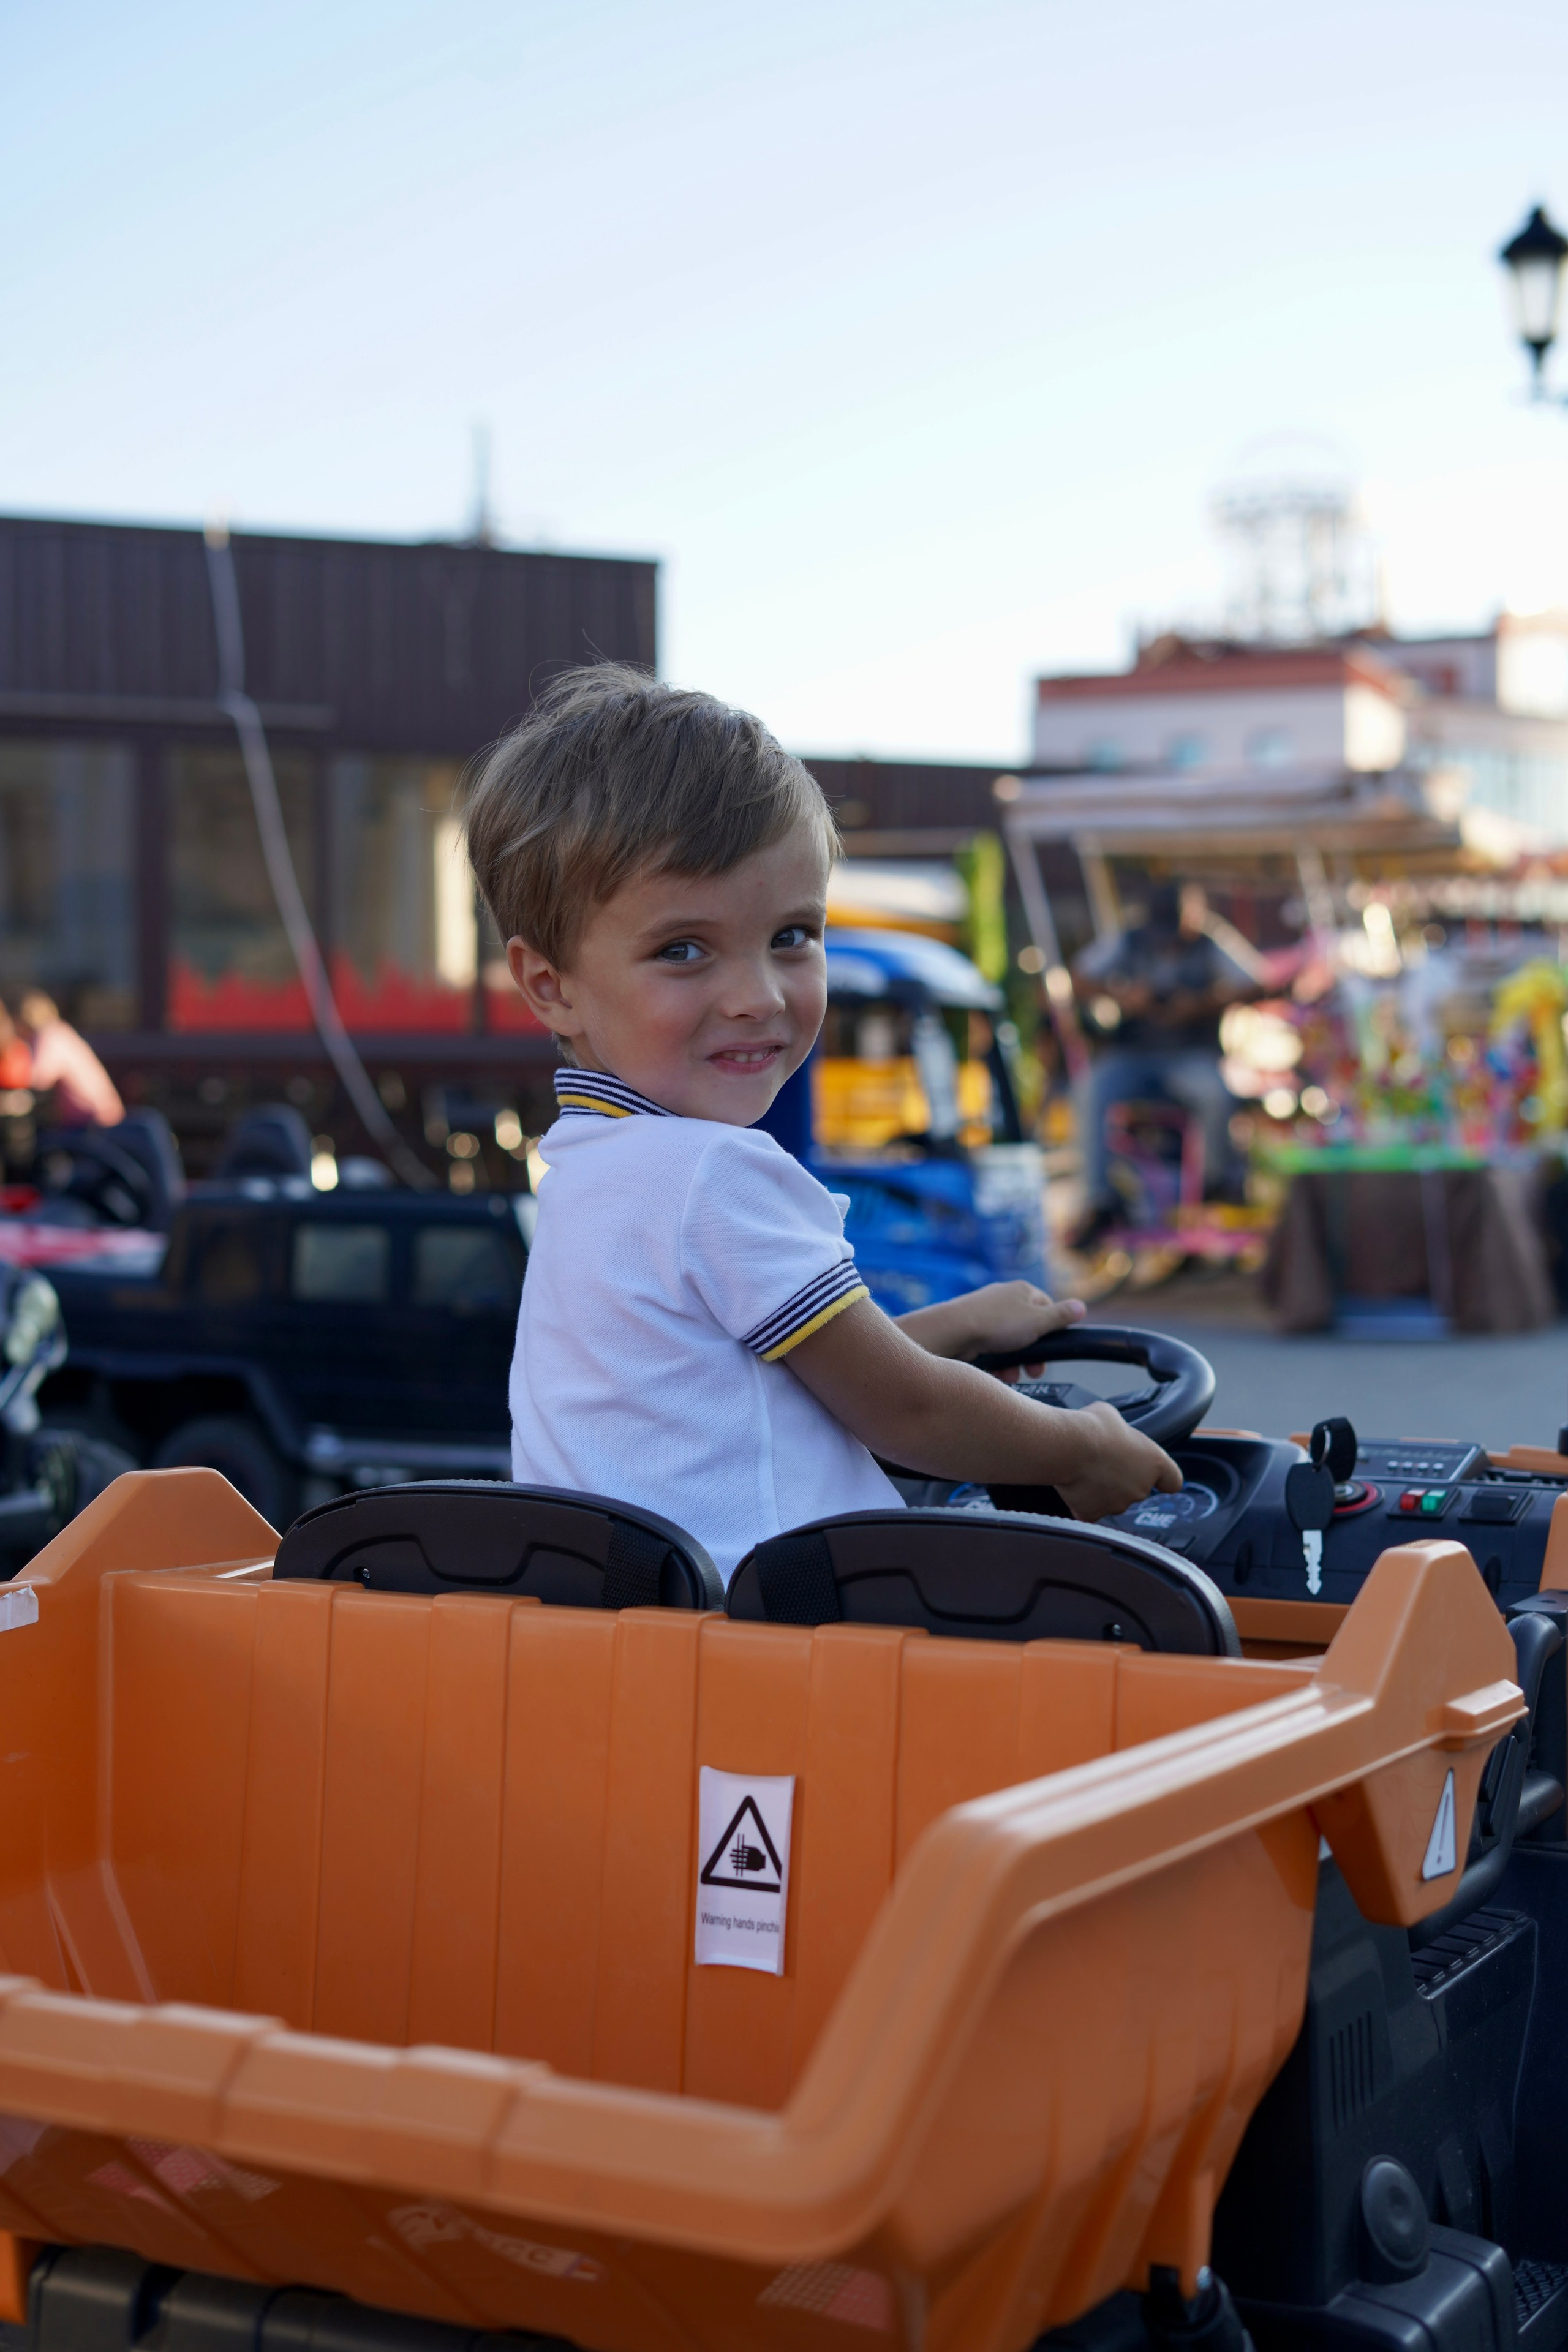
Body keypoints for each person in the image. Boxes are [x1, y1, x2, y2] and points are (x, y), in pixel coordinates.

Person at [464, 665, 1178, 1584]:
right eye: (684, 951)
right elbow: (907, 1414)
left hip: (652, 1648)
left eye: (792, 937)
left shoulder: (590, 1170)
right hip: (778, 1646)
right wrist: (1082, 1448)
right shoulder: (710, 1173)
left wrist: (955, 1326)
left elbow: (762, 1390)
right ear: (549, 985)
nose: (757, 997)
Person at [1072, 882, 1254, 1247]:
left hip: (1190, 1053)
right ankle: (1100, 1199)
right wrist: (1122, 995)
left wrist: (1201, 1004)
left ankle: (1217, 1182)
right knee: (1091, 1091)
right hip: (1134, 1053)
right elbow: (1078, 977)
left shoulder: (1210, 943)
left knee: (1215, 1094)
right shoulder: (1129, 940)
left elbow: (1254, 984)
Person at [13, 992, 124, 1129]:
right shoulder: (62, 1032)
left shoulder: (50, 1036)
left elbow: (37, 1079)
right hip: (103, 1113)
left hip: (90, 1121)